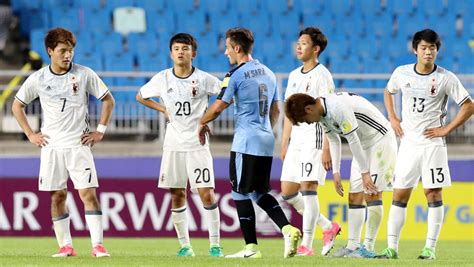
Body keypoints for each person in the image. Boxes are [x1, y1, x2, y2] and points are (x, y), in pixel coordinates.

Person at [198, 27, 301, 259]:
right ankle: (288, 229)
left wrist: (201, 122)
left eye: (227, 47)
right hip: (266, 139)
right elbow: (276, 109)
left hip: (246, 141)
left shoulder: (234, 75)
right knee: (257, 192)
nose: (225, 53)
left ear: (237, 48)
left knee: (238, 192)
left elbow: (218, 107)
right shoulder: (269, 72)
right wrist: (265, 129)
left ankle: (251, 248)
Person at [11, 28, 114, 257]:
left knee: (88, 194)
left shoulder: (84, 73)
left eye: (71, 50)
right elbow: (17, 105)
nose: (68, 55)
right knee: (57, 195)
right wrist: (30, 134)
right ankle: (66, 246)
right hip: (51, 147)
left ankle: (97, 245)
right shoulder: (38, 78)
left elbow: (108, 100)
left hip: (79, 145)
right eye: (63, 51)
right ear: (50, 51)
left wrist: (100, 131)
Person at [376, 29, 473, 260]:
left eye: (432, 48)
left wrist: (446, 129)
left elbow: (469, 105)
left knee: (433, 194)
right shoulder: (402, 73)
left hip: (433, 145)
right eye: (423, 48)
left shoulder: (445, 78)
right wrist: (392, 117)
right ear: (415, 50)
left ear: (437, 50)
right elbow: (388, 91)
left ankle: (430, 249)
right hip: (408, 144)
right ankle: (392, 248)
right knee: (399, 195)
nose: (428, 52)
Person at [136, 33, 223, 257]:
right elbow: (140, 96)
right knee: (177, 194)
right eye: (176, 48)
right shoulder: (163, 78)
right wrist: (163, 109)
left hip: (197, 145)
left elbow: (225, 95)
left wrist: (207, 119)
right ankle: (185, 246)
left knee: (207, 194)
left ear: (193, 53)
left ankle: (215, 245)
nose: (181, 52)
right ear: (171, 53)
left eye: (185, 48)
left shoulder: (204, 79)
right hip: (173, 144)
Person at [284, 92, 397, 258]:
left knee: (372, 193)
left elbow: (352, 140)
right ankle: (352, 246)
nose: (308, 123)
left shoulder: (337, 107)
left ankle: (368, 247)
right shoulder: (321, 113)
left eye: (305, 119)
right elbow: (334, 139)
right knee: (353, 197)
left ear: (309, 109)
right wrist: (336, 172)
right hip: (363, 144)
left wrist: (365, 173)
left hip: (380, 141)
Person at [280, 27, 341, 257]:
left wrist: (327, 147)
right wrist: (284, 141)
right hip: (296, 139)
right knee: (287, 192)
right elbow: (289, 111)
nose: (298, 46)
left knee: (308, 188)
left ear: (315, 49)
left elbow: (328, 112)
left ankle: (306, 244)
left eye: (304, 43)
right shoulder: (295, 75)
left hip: (315, 137)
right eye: (298, 42)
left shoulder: (322, 75)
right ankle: (328, 226)